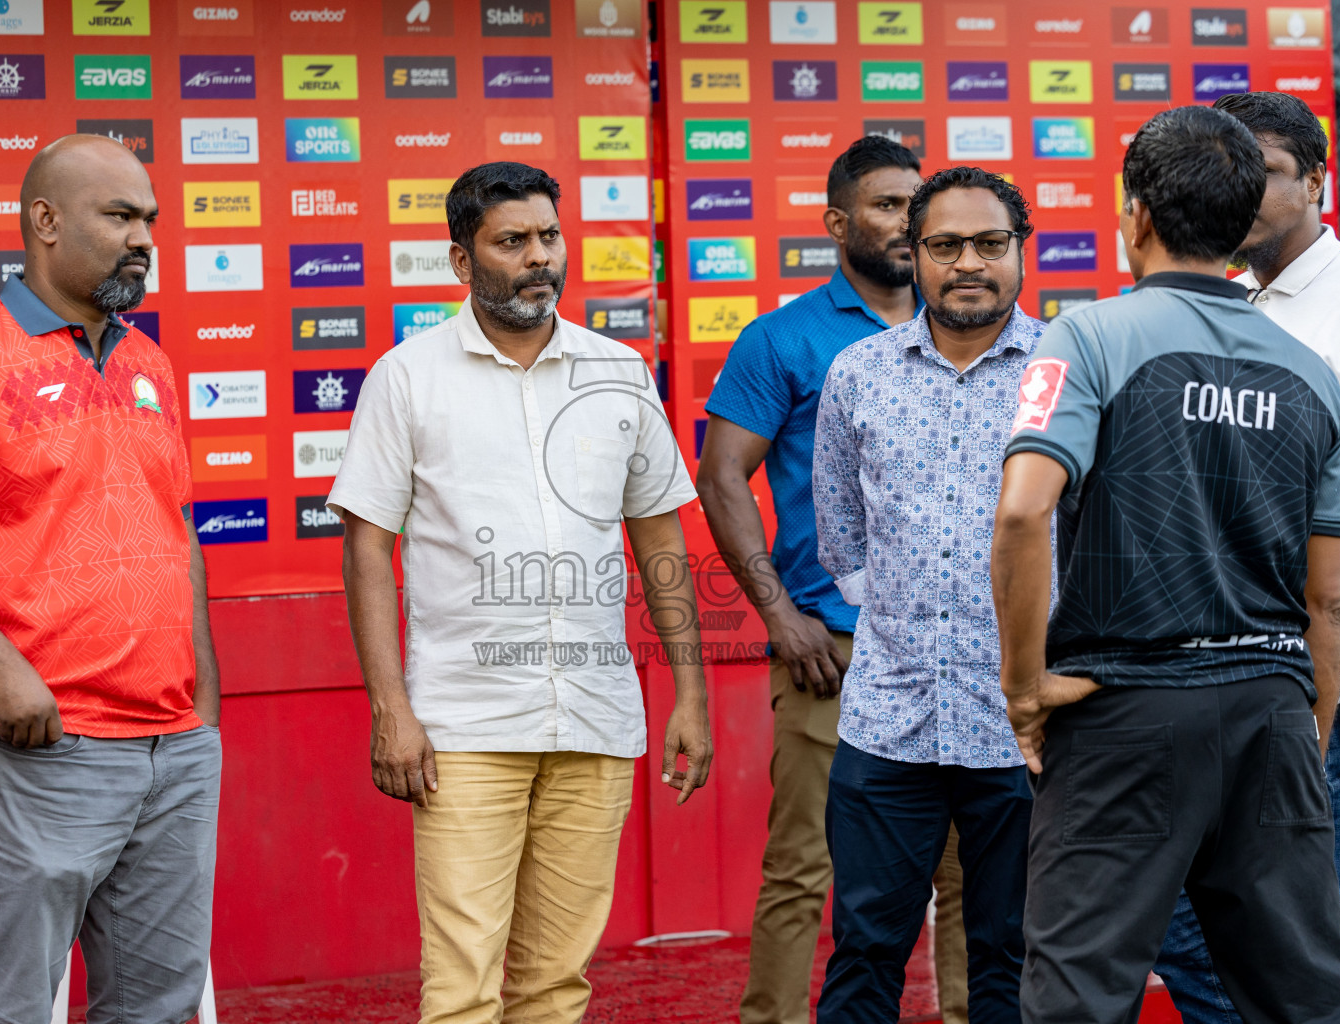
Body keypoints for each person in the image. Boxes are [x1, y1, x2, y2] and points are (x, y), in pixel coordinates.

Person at [995, 104, 1340, 1022]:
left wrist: (1023, 687)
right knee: (1306, 1000)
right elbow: (1326, 601)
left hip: (1123, 710)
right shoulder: (1311, 371)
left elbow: (1023, 512)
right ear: (1239, 225)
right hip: (1272, 710)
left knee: (1079, 994)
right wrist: (1307, 731)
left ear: (1137, 216)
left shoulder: (1086, 336)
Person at [328, 162, 713, 1024]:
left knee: (557, 983)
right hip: (464, 727)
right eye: (512, 242)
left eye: (549, 237)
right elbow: (367, 551)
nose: (539, 258)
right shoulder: (408, 376)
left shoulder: (618, 370)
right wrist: (391, 709)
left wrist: (690, 692)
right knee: (463, 985)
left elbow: (659, 540)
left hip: (597, 715)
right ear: (462, 262)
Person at [0, 134, 220, 1023]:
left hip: (174, 750)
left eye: (150, 221)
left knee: (157, 1010)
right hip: (41, 744)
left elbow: (177, 531)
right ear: (45, 222)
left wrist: (203, 700)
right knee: (8, 1012)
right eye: (121, 216)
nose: (143, 239)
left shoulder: (150, 363)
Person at [696, 136, 967, 1024]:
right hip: (835, 654)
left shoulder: (976, 326)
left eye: (915, 205)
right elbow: (722, 473)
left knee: (970, 874)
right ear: (837, 223)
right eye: (887, 205)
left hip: (965, 650)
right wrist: (780, 617)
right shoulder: (783, 338)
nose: (906, 221)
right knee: (805, 869)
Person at [1153, 88, 1340, 1024]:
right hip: (1206, 674)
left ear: (1319, 182)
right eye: (1226, 174)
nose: (1242, 192)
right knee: (1186, 921)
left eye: (1266, 174)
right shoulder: (1225, 303)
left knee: (1322, 930)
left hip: (1321, 685)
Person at [812, 166, 1045, 1023]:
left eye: (990, 244)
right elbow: (838, 525)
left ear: (1023, 251)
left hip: (1023, 725)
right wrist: (912, 617)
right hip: (888, 720)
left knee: (1014, 959)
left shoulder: (1064, 374)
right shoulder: (859, 373)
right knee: (867, 950)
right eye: (944, 246)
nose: (968, 263)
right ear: (914, 255)